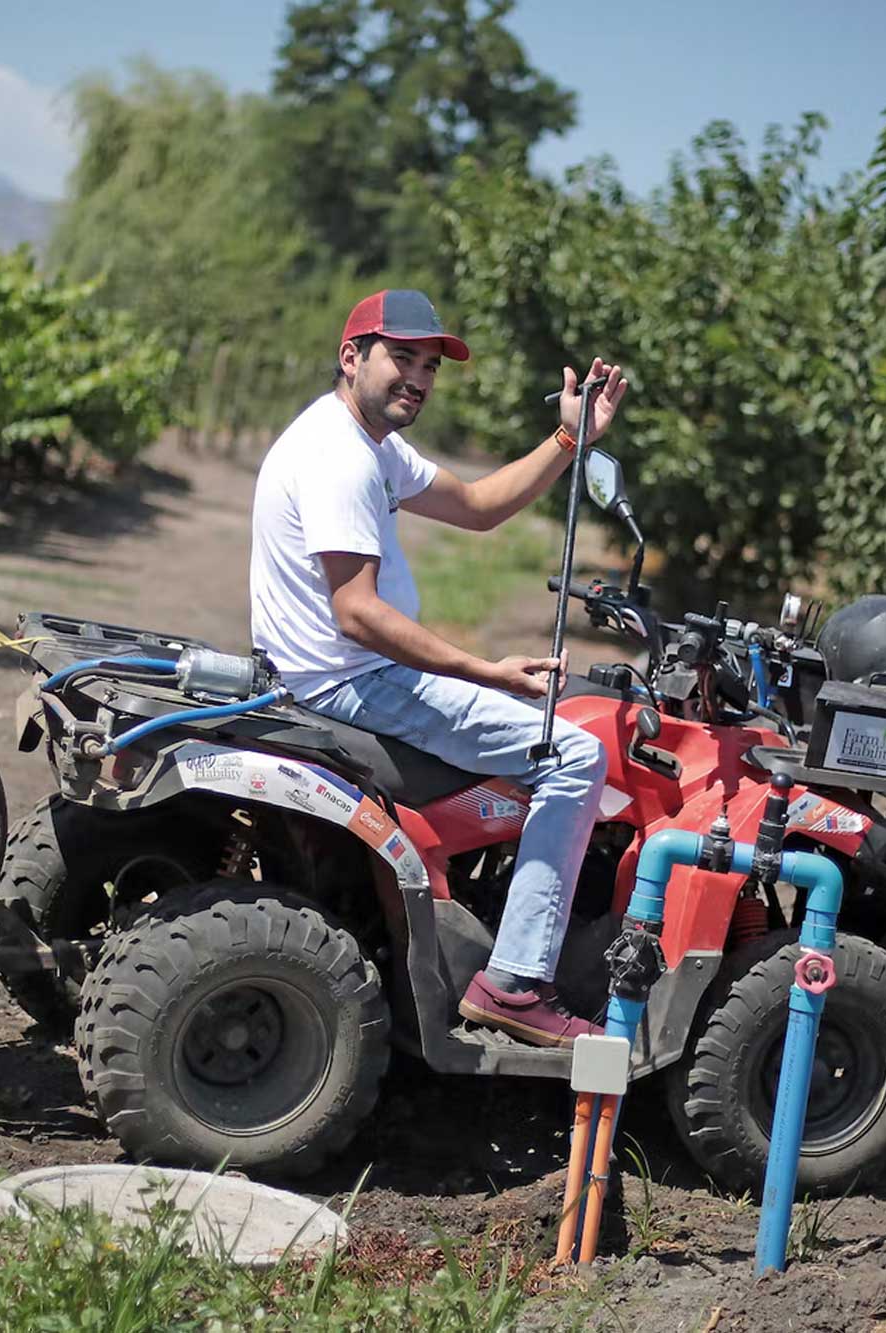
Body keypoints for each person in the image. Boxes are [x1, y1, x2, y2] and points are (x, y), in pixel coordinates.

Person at [249, 288, 629, 1047]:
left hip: (340, 671)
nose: (417, 378)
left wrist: (568, 437)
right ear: (352, 356)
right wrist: (485, 672)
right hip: (352, 682)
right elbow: (356, 612)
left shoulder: (373, 447)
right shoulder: (338, 457)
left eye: (428, 365)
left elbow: (482, 505)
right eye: (402, 357)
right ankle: (517, 980)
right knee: (576, 754)